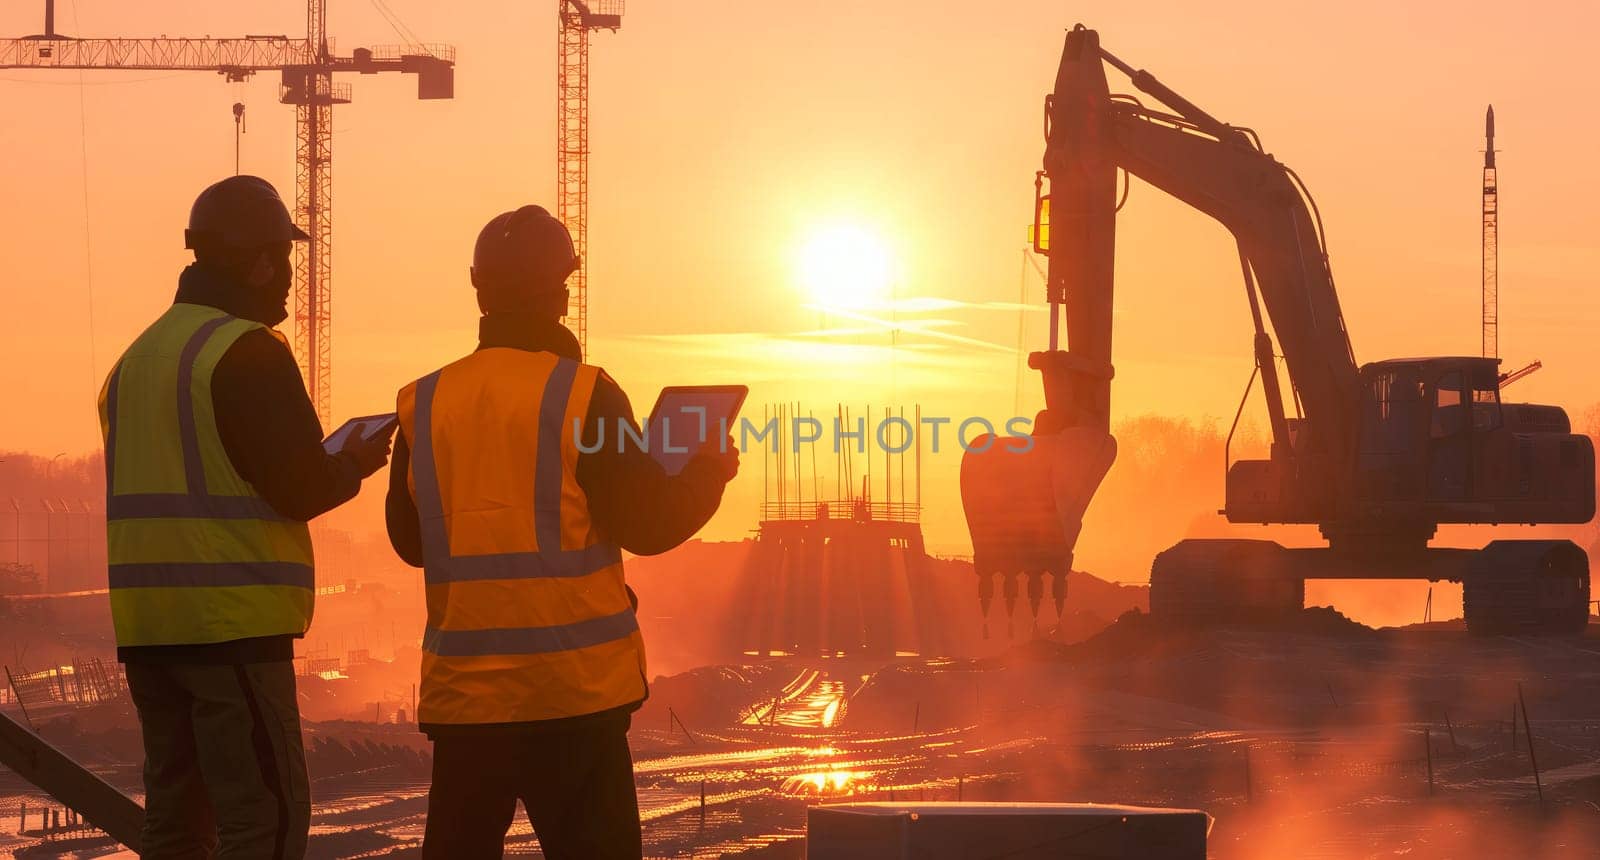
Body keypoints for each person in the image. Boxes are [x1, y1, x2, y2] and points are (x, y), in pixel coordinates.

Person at [386, 205, 738, 859]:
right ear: (560, 291)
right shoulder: (585, 395)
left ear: (478, 286)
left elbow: (411, 544)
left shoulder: (424, 402)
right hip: (571, 700)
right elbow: (650, 524)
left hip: (465, 707)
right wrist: (710, 473)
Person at [98, 175, 392, 859]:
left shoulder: (135, 361)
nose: (289, 277)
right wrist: (354, 462)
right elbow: (300, 488)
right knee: (265, 821)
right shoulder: (247, 351)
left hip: (148, 631)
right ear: (257, 260)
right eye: (282, 258)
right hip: (231, 625)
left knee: (175, 826)